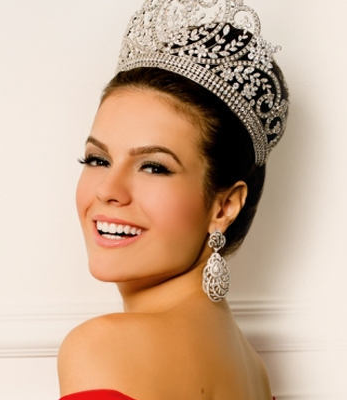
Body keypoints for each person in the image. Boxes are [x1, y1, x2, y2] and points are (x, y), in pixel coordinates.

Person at [58, 1, 289, 399]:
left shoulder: (102, 348)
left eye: (154, 167)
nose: (108, 189)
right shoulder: (254, 372)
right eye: (97, 159)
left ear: (224, 206)